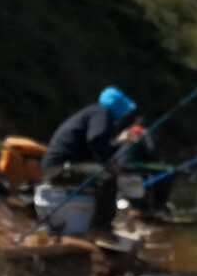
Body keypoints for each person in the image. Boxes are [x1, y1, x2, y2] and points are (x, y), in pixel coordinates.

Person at [41, 86, 139, 234]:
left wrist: (119, 143)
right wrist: (108, 164)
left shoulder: (95, 113)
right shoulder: (102, 113)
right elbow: (95, 140)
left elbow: (97, 145)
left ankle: (93, 223)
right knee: (107, 178)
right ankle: (101, 228)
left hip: (57, 167)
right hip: (60, 169)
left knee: (105, 176)